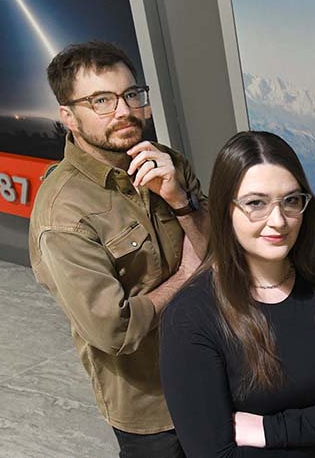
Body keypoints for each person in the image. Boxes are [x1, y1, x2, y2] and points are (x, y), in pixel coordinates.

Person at [159, 131, 315, 458]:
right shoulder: (190, 317)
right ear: (223, 210)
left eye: (290, 201)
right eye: (256, 204)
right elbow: (215, 455)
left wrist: (268, 430)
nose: (278, 221)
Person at [29, 41, 208, 458]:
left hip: (215, 368)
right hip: (152, 405)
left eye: (131, 95)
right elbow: (115, 329)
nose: (124, 110)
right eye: (102, 101)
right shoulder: (63, 215)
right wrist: (186, 277)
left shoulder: (167, 161)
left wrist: (180, 201)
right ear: (69, 117)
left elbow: (217, 252)